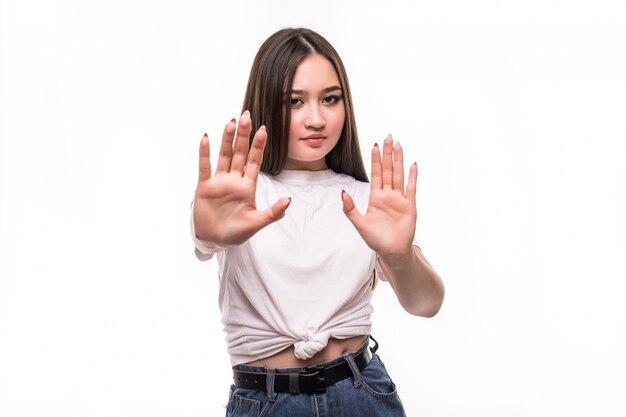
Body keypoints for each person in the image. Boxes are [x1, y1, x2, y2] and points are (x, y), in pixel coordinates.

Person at [190, 27, 444, 416]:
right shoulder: (237, 196)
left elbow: (427, 303)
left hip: (362, 394)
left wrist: (398, 255)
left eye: (330, 99)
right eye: (294, 101)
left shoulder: (364, 202)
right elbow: (207, 240)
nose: (316, 119)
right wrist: (208, 237)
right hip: (267, 401)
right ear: (266, 103)